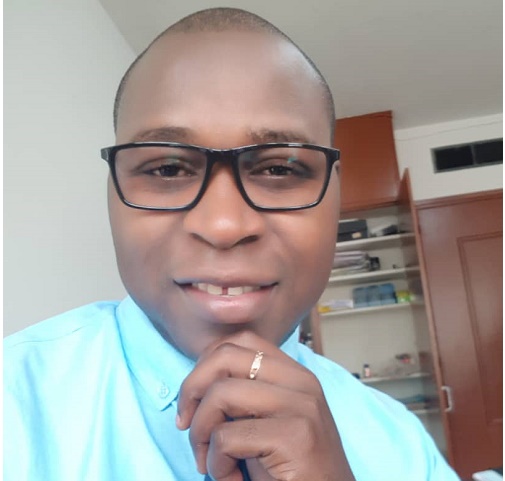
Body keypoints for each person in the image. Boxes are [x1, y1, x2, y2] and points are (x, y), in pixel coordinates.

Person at [4, 7, 460, 481]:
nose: (223, 225)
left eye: (280, 168)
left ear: (335, 193)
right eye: (167, 168)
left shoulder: (403, 446)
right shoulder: (13, 406)